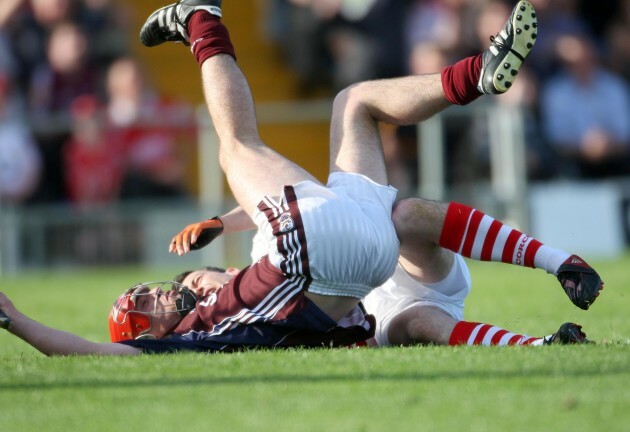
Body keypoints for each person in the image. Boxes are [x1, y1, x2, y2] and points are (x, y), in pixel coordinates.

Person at [0, 0, 599, 355]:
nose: (153, 292)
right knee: (235, 146)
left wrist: (219, 221)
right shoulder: (196, 332)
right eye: (141, 304)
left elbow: (267, 233)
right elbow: (99, 352)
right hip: (325, 258)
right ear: (148, 331)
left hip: (357, 256)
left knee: (354, 104)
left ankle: (474, 75)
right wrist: (19, 321)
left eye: (143, 291)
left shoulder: (223, 303)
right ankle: (201, 19)